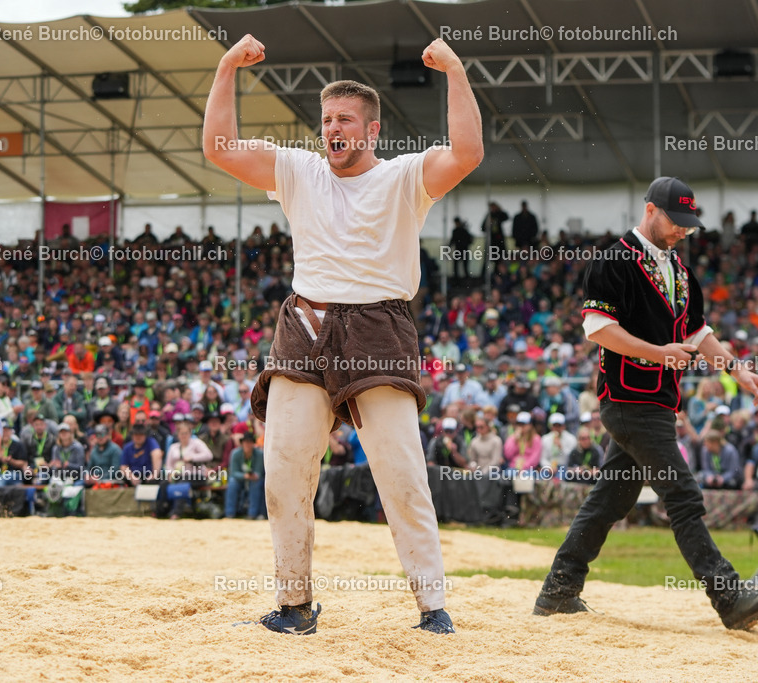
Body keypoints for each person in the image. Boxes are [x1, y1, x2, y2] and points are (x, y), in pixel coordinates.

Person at [203, 34, 482, 634]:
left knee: (400, 472)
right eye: (327, 119)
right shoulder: (298, 170)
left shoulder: (406, 177)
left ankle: (432, 608)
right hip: (306, 324)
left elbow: (467, 152)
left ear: (372, 130)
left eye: (346, 119)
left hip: (380, 325)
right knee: (284, 470)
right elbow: (219, 148)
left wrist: (455, 70)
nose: (334, 128)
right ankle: (294, 603)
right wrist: (227, 66)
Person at [534, 177, 758, 631]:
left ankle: (558, 592)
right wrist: (657, 353)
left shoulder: (679, 269)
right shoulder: (612, 261)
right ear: (651, 210)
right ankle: (729, 596)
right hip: (627, 399)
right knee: (682, 494)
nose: (682, 232)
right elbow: (597, 329)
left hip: (656, 403)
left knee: (610, 499)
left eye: (689, 227)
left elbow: (697, 334)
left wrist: (736, 369)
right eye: (677, 223)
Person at [225, 431, 265, 519]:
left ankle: (252, 514)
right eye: (246, 442)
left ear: (253, 444)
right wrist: (244, 476)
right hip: (240, 478)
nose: (247, 444)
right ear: (242, 443)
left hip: (254, 478)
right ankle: (230, 513)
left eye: (250, 442)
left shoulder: (259, 454)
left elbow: (259, 471)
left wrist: (254, 476)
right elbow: (233, 472)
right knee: (232, 482)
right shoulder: (235, 453)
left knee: (256, 483)